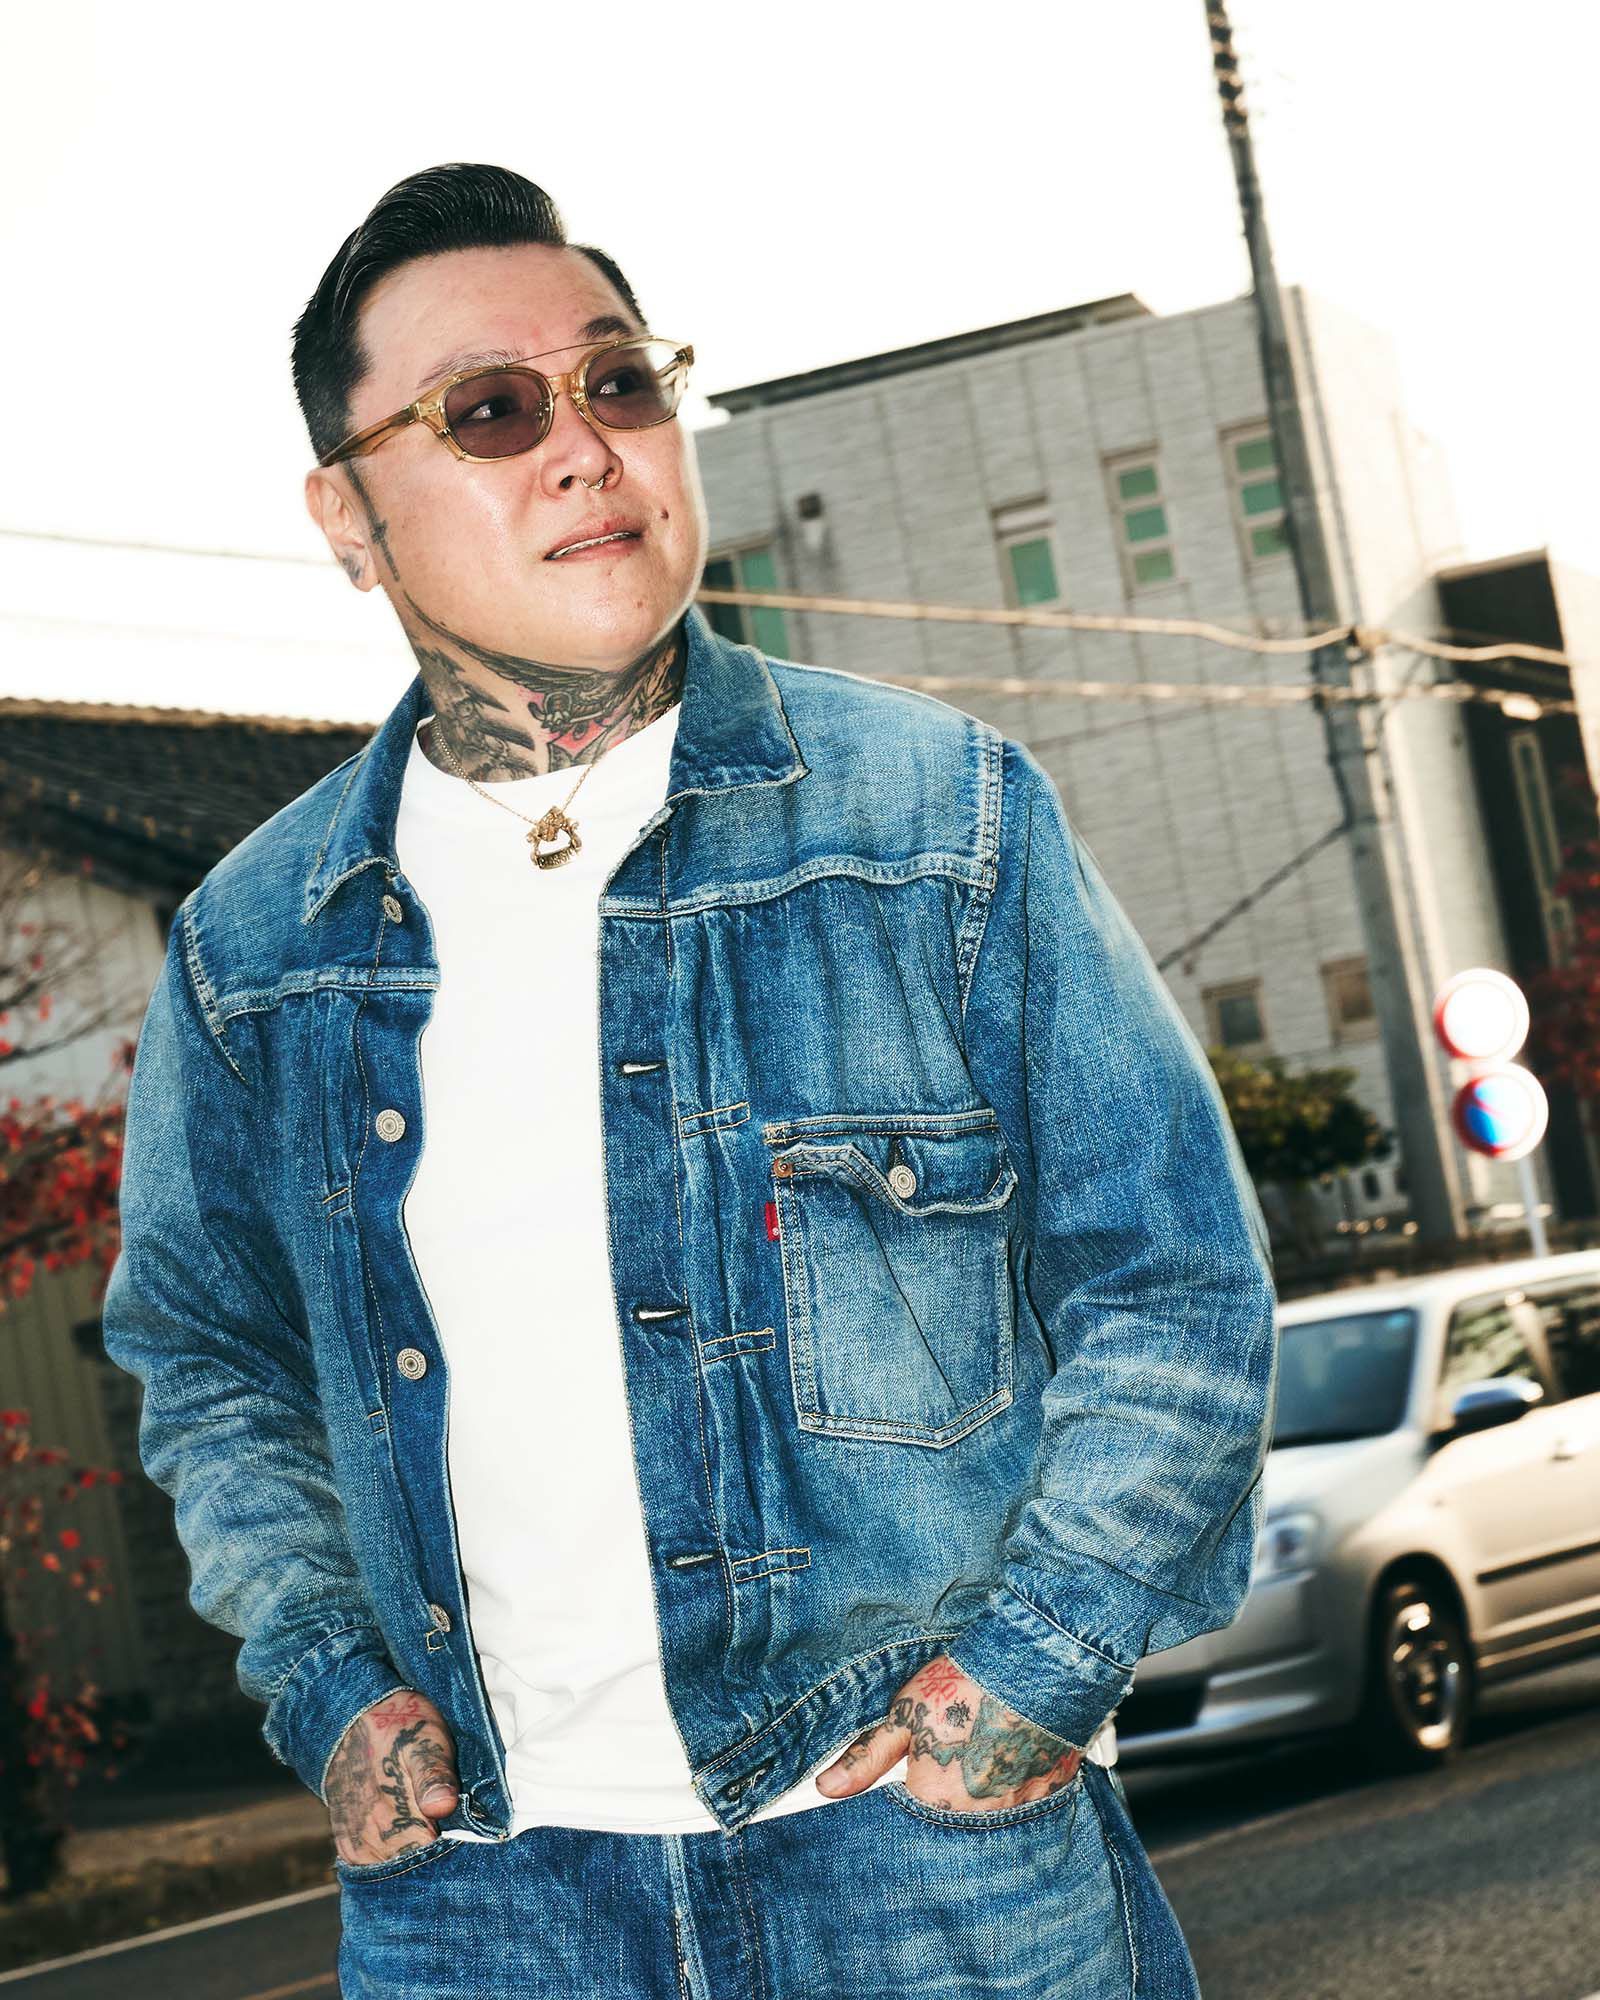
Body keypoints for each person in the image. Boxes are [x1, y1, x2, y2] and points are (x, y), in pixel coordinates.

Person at [102, 162, 1278, 1998]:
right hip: (485, 1907)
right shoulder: (256, 952)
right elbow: (209, 1362)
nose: (586, 448)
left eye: (620, 381)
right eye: (493, 410)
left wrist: (1037, 1672)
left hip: (922, 1867)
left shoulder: (937, 828)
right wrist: (330, 1682)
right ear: (348, 515)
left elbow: (1175, 1285)